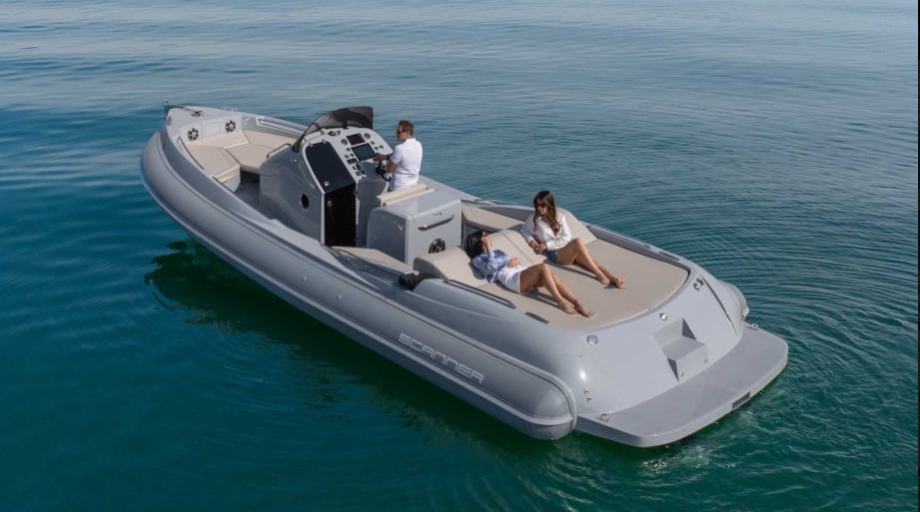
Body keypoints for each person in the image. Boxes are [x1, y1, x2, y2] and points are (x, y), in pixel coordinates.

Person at [468, 231, 592, 316]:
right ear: (480, 242)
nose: (489, 238)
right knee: (544, 267)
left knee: (551, 276)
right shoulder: (477, 260)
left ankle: (576, 302)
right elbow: (491, 268)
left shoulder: (498, 252)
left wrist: (516, 260)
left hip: (521, 272)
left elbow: (508, 261)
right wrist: (488, 249)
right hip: (513, 280)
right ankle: (561, 302)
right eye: (485, 237)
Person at [521, 190, 625, 288]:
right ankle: (598, 274)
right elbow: (525, 230)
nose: (539, 208)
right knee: (578, 242)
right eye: (537, 205)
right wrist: (532, 241)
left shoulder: (560, 217)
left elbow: (567, 237)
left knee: (592, 262)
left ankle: (613, 278)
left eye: (543, 205)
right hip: (556, 254)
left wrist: (547, 244)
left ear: (549, 205)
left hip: (567, 249)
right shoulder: (534, 219)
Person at [373, 119, 423, 191]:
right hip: (413, 183)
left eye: (399, 132)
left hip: (399, 186)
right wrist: (385, 157)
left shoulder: (399, 148)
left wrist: (382, 170)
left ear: (408, 132)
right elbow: (405, 155)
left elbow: (390, 169)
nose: (396, 134)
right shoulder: (418, 144)